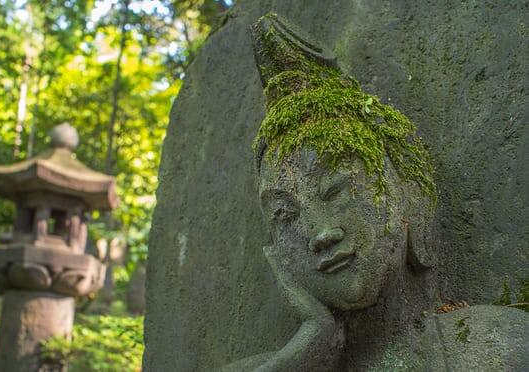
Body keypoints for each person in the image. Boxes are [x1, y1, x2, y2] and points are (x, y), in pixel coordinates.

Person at [221, 13, 528, 372]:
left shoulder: (501, 347)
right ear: (276, 255)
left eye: (335, 188)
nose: (320, 234)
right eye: (284, 215)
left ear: (413, 193)